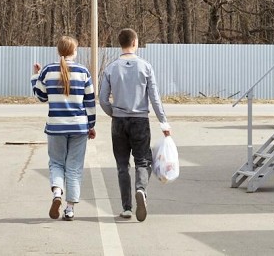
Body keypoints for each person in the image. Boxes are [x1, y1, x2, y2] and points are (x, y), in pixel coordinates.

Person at [99, 28, 171, 222]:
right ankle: (141, 188)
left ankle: (127, 208)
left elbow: (103, 98)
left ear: (120, 43)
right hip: (140, 120)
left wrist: (113, 113)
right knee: (143, 161)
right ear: (135, 42)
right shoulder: (145, 67)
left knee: (122, 165)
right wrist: (163, 122)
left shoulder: (111, 68)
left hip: (119, 121)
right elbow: (154, 98)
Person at [31, 36, 96, 221]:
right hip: (79, 126)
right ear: (74, 51)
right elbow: (90, 102)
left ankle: (57, 193)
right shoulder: (83, 71)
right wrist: (91, 125)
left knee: (56, 163)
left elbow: (41, 97)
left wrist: (35, 76)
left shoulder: (48, 71)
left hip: (55, 127)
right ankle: (69, 209)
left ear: (58, 51)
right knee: (74, 167)